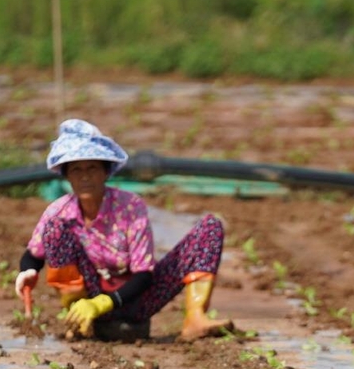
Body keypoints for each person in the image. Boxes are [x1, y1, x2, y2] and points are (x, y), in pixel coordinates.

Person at [15, 119, 233, 342]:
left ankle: (195, 317)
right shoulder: (59, 211)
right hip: (87, 294)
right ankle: (77, 318)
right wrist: (28, 271)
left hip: (135, 297)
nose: (85, 176)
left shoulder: (130, 207)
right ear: (67, 176)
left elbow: (143, 275)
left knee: (210, 227)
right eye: (76, 169)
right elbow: (33, 255)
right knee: (55, 229)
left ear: (106, 172)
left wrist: (104, 302)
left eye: (92, 168)